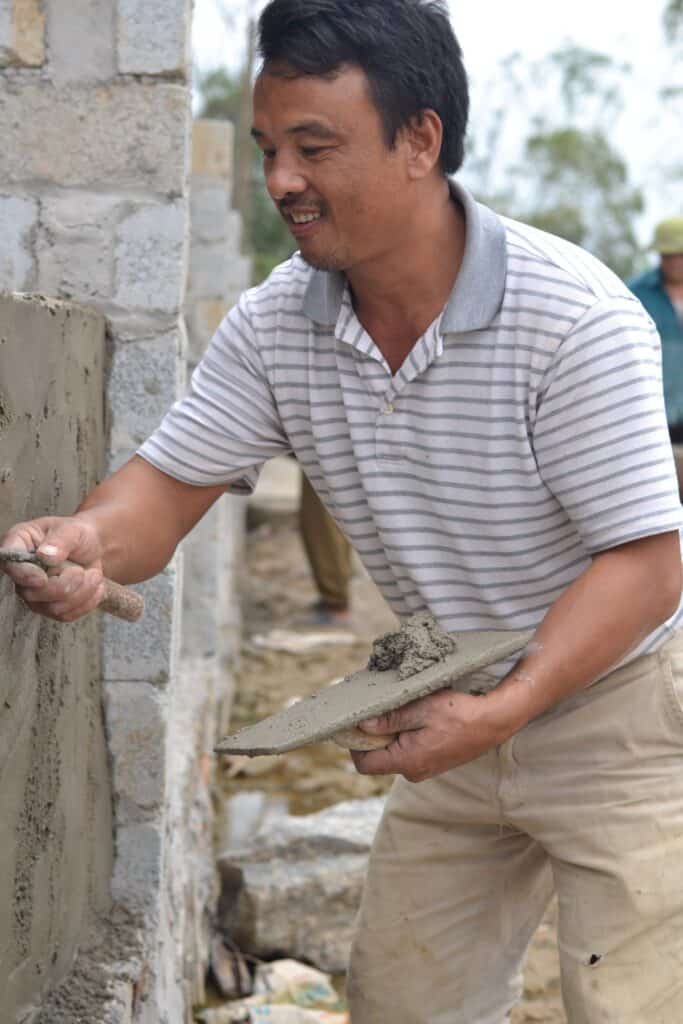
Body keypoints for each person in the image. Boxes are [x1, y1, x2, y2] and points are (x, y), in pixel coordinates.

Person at [3, 1, 683, 1019]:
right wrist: (86, 538)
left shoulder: (572, 320)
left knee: (632, 1001)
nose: (280, 180)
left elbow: (646, 562)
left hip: (619, 713)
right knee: (406, 1001)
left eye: (314, 147)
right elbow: (161, 490)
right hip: (449, 701)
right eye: (270, 147)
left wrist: (504, 708)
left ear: (420, 140)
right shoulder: (280, 323)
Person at [628, 217, 683, 492]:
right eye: (668, 256)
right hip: (653, 407)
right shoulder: (635, 294)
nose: (674, 263)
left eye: (680, 255)